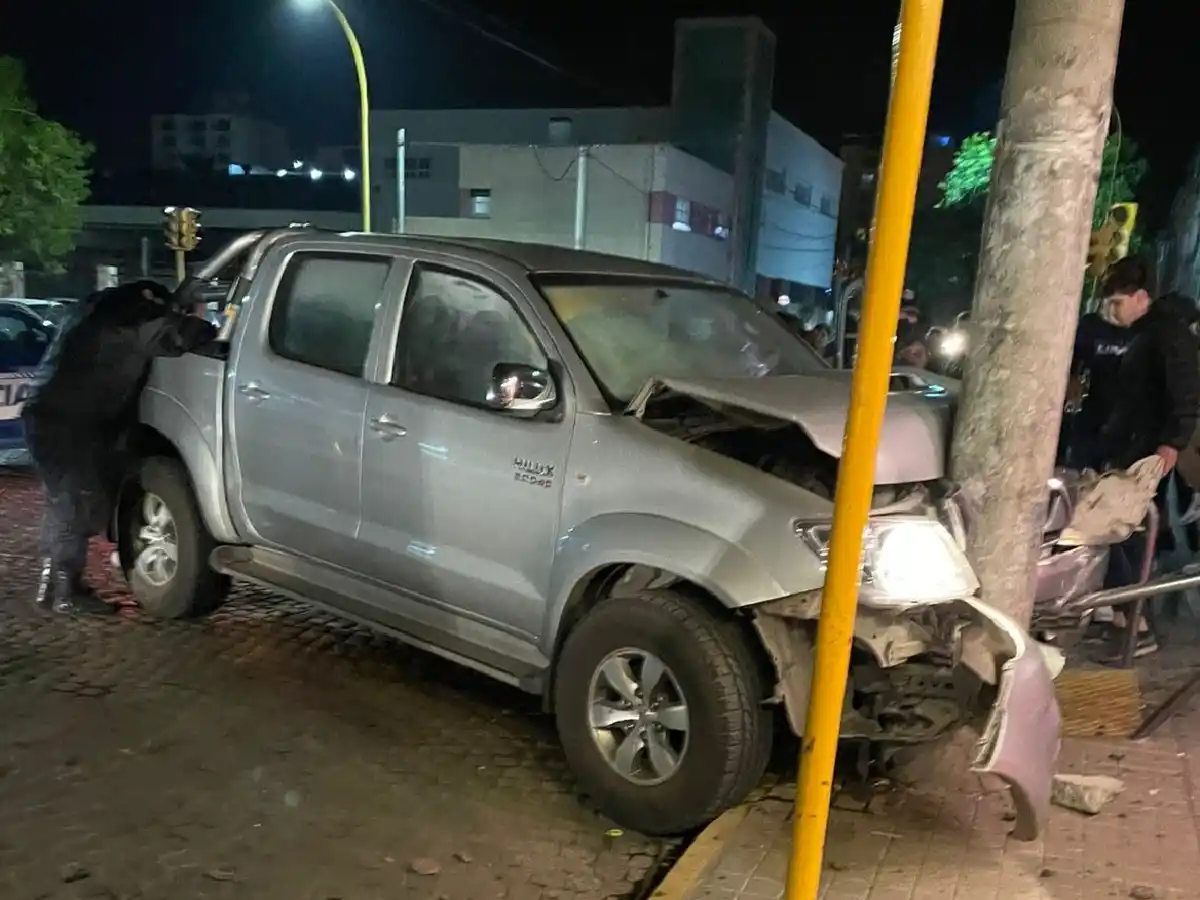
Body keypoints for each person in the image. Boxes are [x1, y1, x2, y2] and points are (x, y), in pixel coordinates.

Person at [20, 280, 217, 616]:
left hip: (49, 415)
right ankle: (64, 594)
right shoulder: (132, 321)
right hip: (69, 421)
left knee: (64, 502)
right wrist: (198, 316)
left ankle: (52, 588)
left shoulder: (92, 310)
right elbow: (182, 336)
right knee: (77, 503)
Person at [1095, 259, 1200, 657]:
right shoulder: (1147, 333)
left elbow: (1184, 391)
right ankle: (1125, 619)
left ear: (1141, 298)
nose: (1113, 311)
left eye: (1118, 302)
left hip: (1148, 450)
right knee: (1121, 532)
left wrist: (1171, 443)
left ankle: (1137, 625)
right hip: (1131, 446)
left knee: (1132, 533)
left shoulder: (1168, 334)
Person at [1062, 297, 1135, 468]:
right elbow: (1074, 362)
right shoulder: (1091, 326)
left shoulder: (1140, 331)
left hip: (1124, 418)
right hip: (1090, 412)